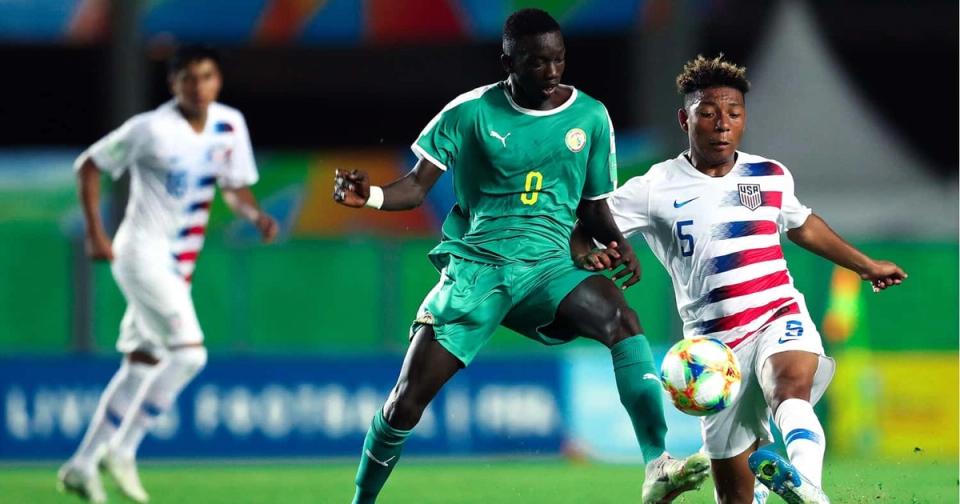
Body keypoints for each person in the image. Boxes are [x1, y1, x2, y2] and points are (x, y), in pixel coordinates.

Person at [333, 8, 710, 504]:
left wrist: (616, 243)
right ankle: (361, 499)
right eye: (537, 62)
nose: (551, 72)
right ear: (508, 62)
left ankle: (658, 464)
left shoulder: (590, 116)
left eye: (559, 60)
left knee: (622, 321)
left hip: (550, 266)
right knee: (406, 402)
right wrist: (372, 196)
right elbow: (416, 187)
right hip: (478, 271)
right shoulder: (469, 112)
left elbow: (593, 206)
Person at [572, 55, 907, 504]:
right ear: (685, 120)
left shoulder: (769, 174)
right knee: (736, 498)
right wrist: (584, 251)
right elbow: (589, 223)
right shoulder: (656, 186)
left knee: (789, 387)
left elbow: (802, 225)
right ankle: (779, 487)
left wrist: (865, 265)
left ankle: (808, 488)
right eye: (708, 113)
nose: (722, 124)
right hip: (713, 354)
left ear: (744, 118)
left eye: (733, 113)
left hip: (778, 314)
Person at [58, 45, 278, 503]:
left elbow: (233, 187)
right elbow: (89, 166)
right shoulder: (151, 129)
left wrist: (254, 215)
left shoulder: (229, 124)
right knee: (190, 355)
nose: (199, 86)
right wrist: (95, 233)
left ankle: (81, 465)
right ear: (173, 83)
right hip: (140, 253)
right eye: (188, 78)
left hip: (178, 263)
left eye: (207, 76)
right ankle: (123, 450)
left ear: (218, 81)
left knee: (142, 363)